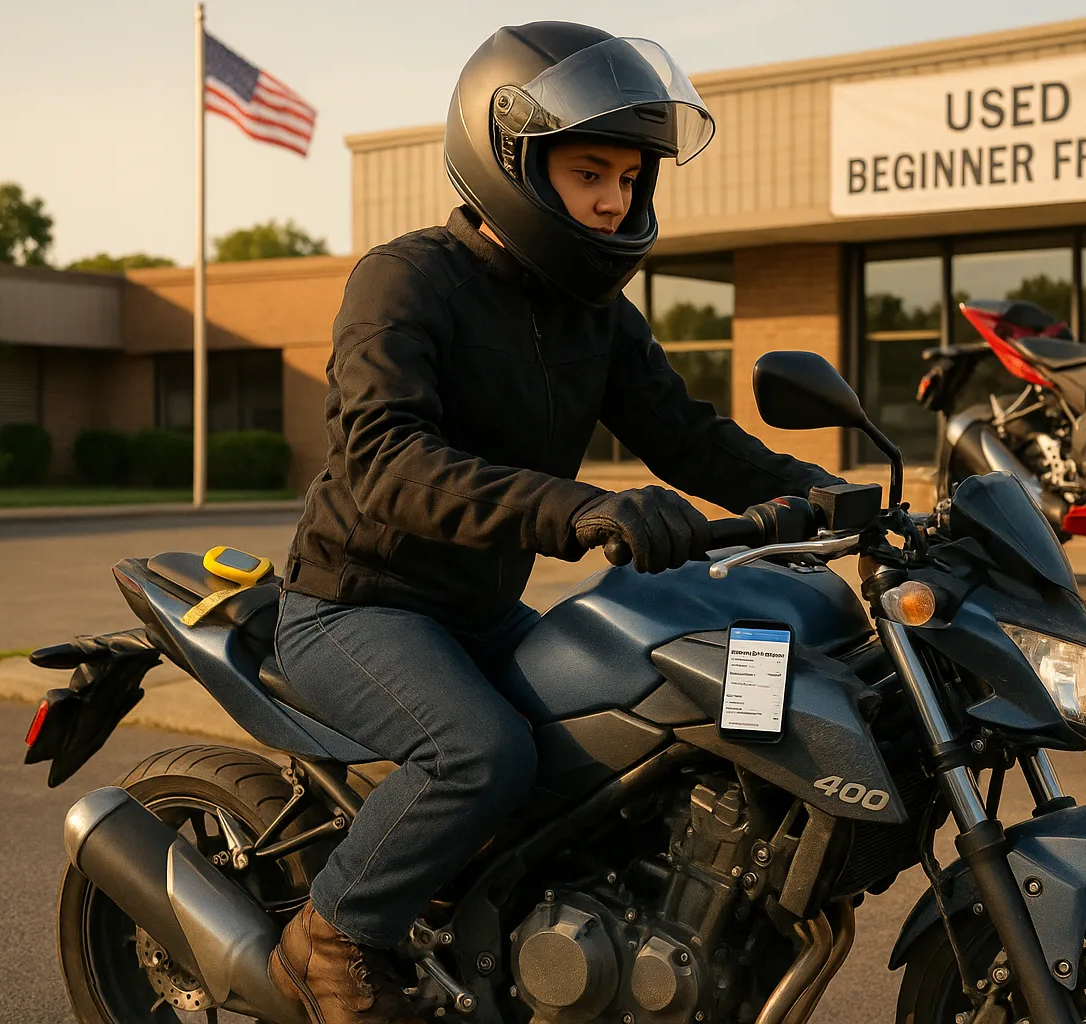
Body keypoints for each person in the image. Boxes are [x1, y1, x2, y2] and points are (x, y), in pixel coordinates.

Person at [266, 21, 840, 1024]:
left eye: (629, 175)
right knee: (481, 753)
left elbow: (685, 433)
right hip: (355, 605)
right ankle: (330, 934)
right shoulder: (402, 282)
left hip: (478, 611)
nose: (616, 198)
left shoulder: (596, 315)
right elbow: (385, 458)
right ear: (511, 163)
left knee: (600, 756)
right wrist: (581, 510)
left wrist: (821, 493)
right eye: (589, 172)